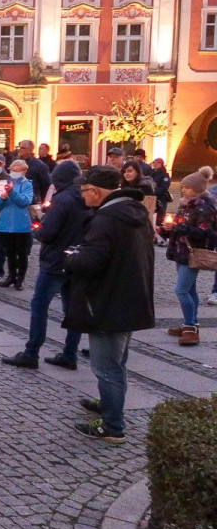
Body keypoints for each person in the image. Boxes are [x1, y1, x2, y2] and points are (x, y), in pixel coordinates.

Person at [63, 166, 155, 444]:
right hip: (129, 298)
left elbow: (92, 262)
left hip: (106, 302)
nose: (83, 198)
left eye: (84, 192)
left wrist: (71, 258)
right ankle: (108, 404)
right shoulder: (135, 213)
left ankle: (113, 425)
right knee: (117, 362)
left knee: (107, 368)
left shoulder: (106, 219)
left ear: (96, 191)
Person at [3, 160, 87, 370]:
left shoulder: (63, 199)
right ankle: (70, 354)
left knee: (40, 306)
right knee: (72, 310)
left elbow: (48, 232)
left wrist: (36, 228)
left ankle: (31, 353)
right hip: (77, 259)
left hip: (56, 260)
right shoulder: (86, 197)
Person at [159, 167, 217, 347]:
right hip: (181, 251)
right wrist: (167, 231)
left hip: (193, 253)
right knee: (190, 290)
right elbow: (178, 226)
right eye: (183, 186)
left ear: (197, 188)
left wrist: (180, 229)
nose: (183, 190)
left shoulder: (204, 207)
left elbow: (205, 233)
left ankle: (191, 327)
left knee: (181, 290)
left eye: (187, 187)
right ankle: (189, 324)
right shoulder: (186, 204)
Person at [0, 158, 34, 290]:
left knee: (22, 253)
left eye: (17, 170)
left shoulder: (27, 184)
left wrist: (12, 192)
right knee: (9, 252)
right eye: (12, 170)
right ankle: (11, 275)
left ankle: (20, 278)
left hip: (21, 224)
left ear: (24, 171)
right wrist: (2, 198)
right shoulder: (4, 183)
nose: (14, 173)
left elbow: (24, 202)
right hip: (5, 224)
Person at [149, 157, 172, 240]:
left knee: (159, 218)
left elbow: (164, 187)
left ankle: (161, 237)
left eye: (157, 163)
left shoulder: (164, 175)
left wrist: (154, 191)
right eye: (154, 162)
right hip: (150, 199)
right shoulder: (150, 173)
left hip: (160, 200)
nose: (155, 164)